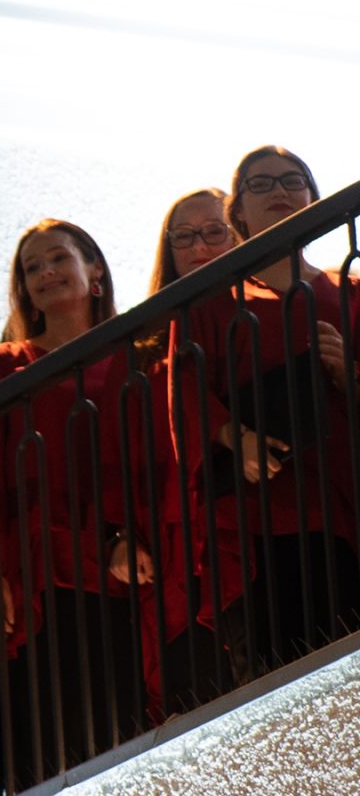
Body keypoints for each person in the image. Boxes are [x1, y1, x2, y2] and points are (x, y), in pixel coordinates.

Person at [0, 220, 169, 782]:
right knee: (51, 741)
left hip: (127, 565)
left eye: (58, 258)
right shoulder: (4, 365)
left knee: (129, 736)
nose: (46, 273)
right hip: (38, 572)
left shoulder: (136, 354)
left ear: (94, 269)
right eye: (32, 268)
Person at [187, 147, 358, 671]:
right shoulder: (211, 299)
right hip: (265, 515)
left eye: (293, 180)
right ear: (237, 210)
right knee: (284, 669)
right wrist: (234, 438)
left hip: (347, 502)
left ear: (313, 197)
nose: (280, 191)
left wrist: (349, 375)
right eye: (260, 184)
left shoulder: (350, 292)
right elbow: (185, 391)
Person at [143, 188, 248, 705]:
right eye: (184, 237)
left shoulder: (260, 314)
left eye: (213, 232)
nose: (199, 247)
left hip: (241, 514)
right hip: (173, 537)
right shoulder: (142, 345)